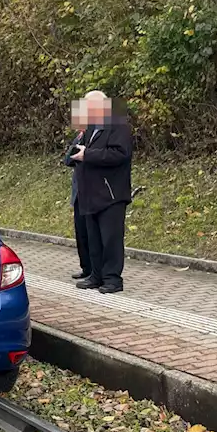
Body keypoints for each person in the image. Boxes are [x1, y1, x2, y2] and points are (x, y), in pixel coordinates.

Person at [70, 90, 133, 294]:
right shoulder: (90, 128)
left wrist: (87, 154)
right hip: (90, 193)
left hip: (110, 193)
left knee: (110, 239)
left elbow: (119, 154)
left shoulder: (118, 126)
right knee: (94, 238)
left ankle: (112, 279)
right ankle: (95, 275)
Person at [63, 101, 92, 280]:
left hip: (91, 191)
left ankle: (96, 268)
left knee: (91, 233)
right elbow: (67, 160)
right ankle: (86, 267)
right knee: (80, 233)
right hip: (78, 193)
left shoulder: (94, 136)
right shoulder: (79, 137)